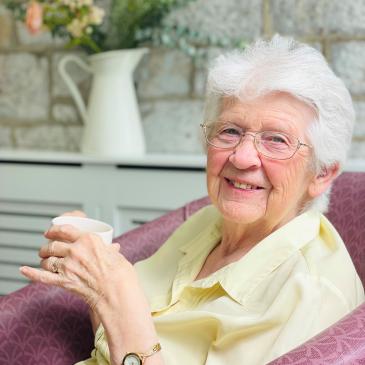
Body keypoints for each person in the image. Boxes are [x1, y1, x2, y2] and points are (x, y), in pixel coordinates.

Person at [20, 35, 364, 365]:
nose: (242, 157)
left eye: (276, 140)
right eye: (230, 131)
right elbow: (119, 341)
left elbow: (126, 322)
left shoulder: (308, 293)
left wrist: (116, 294)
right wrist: (97, 277)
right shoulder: (208, 224)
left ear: (321, 174)